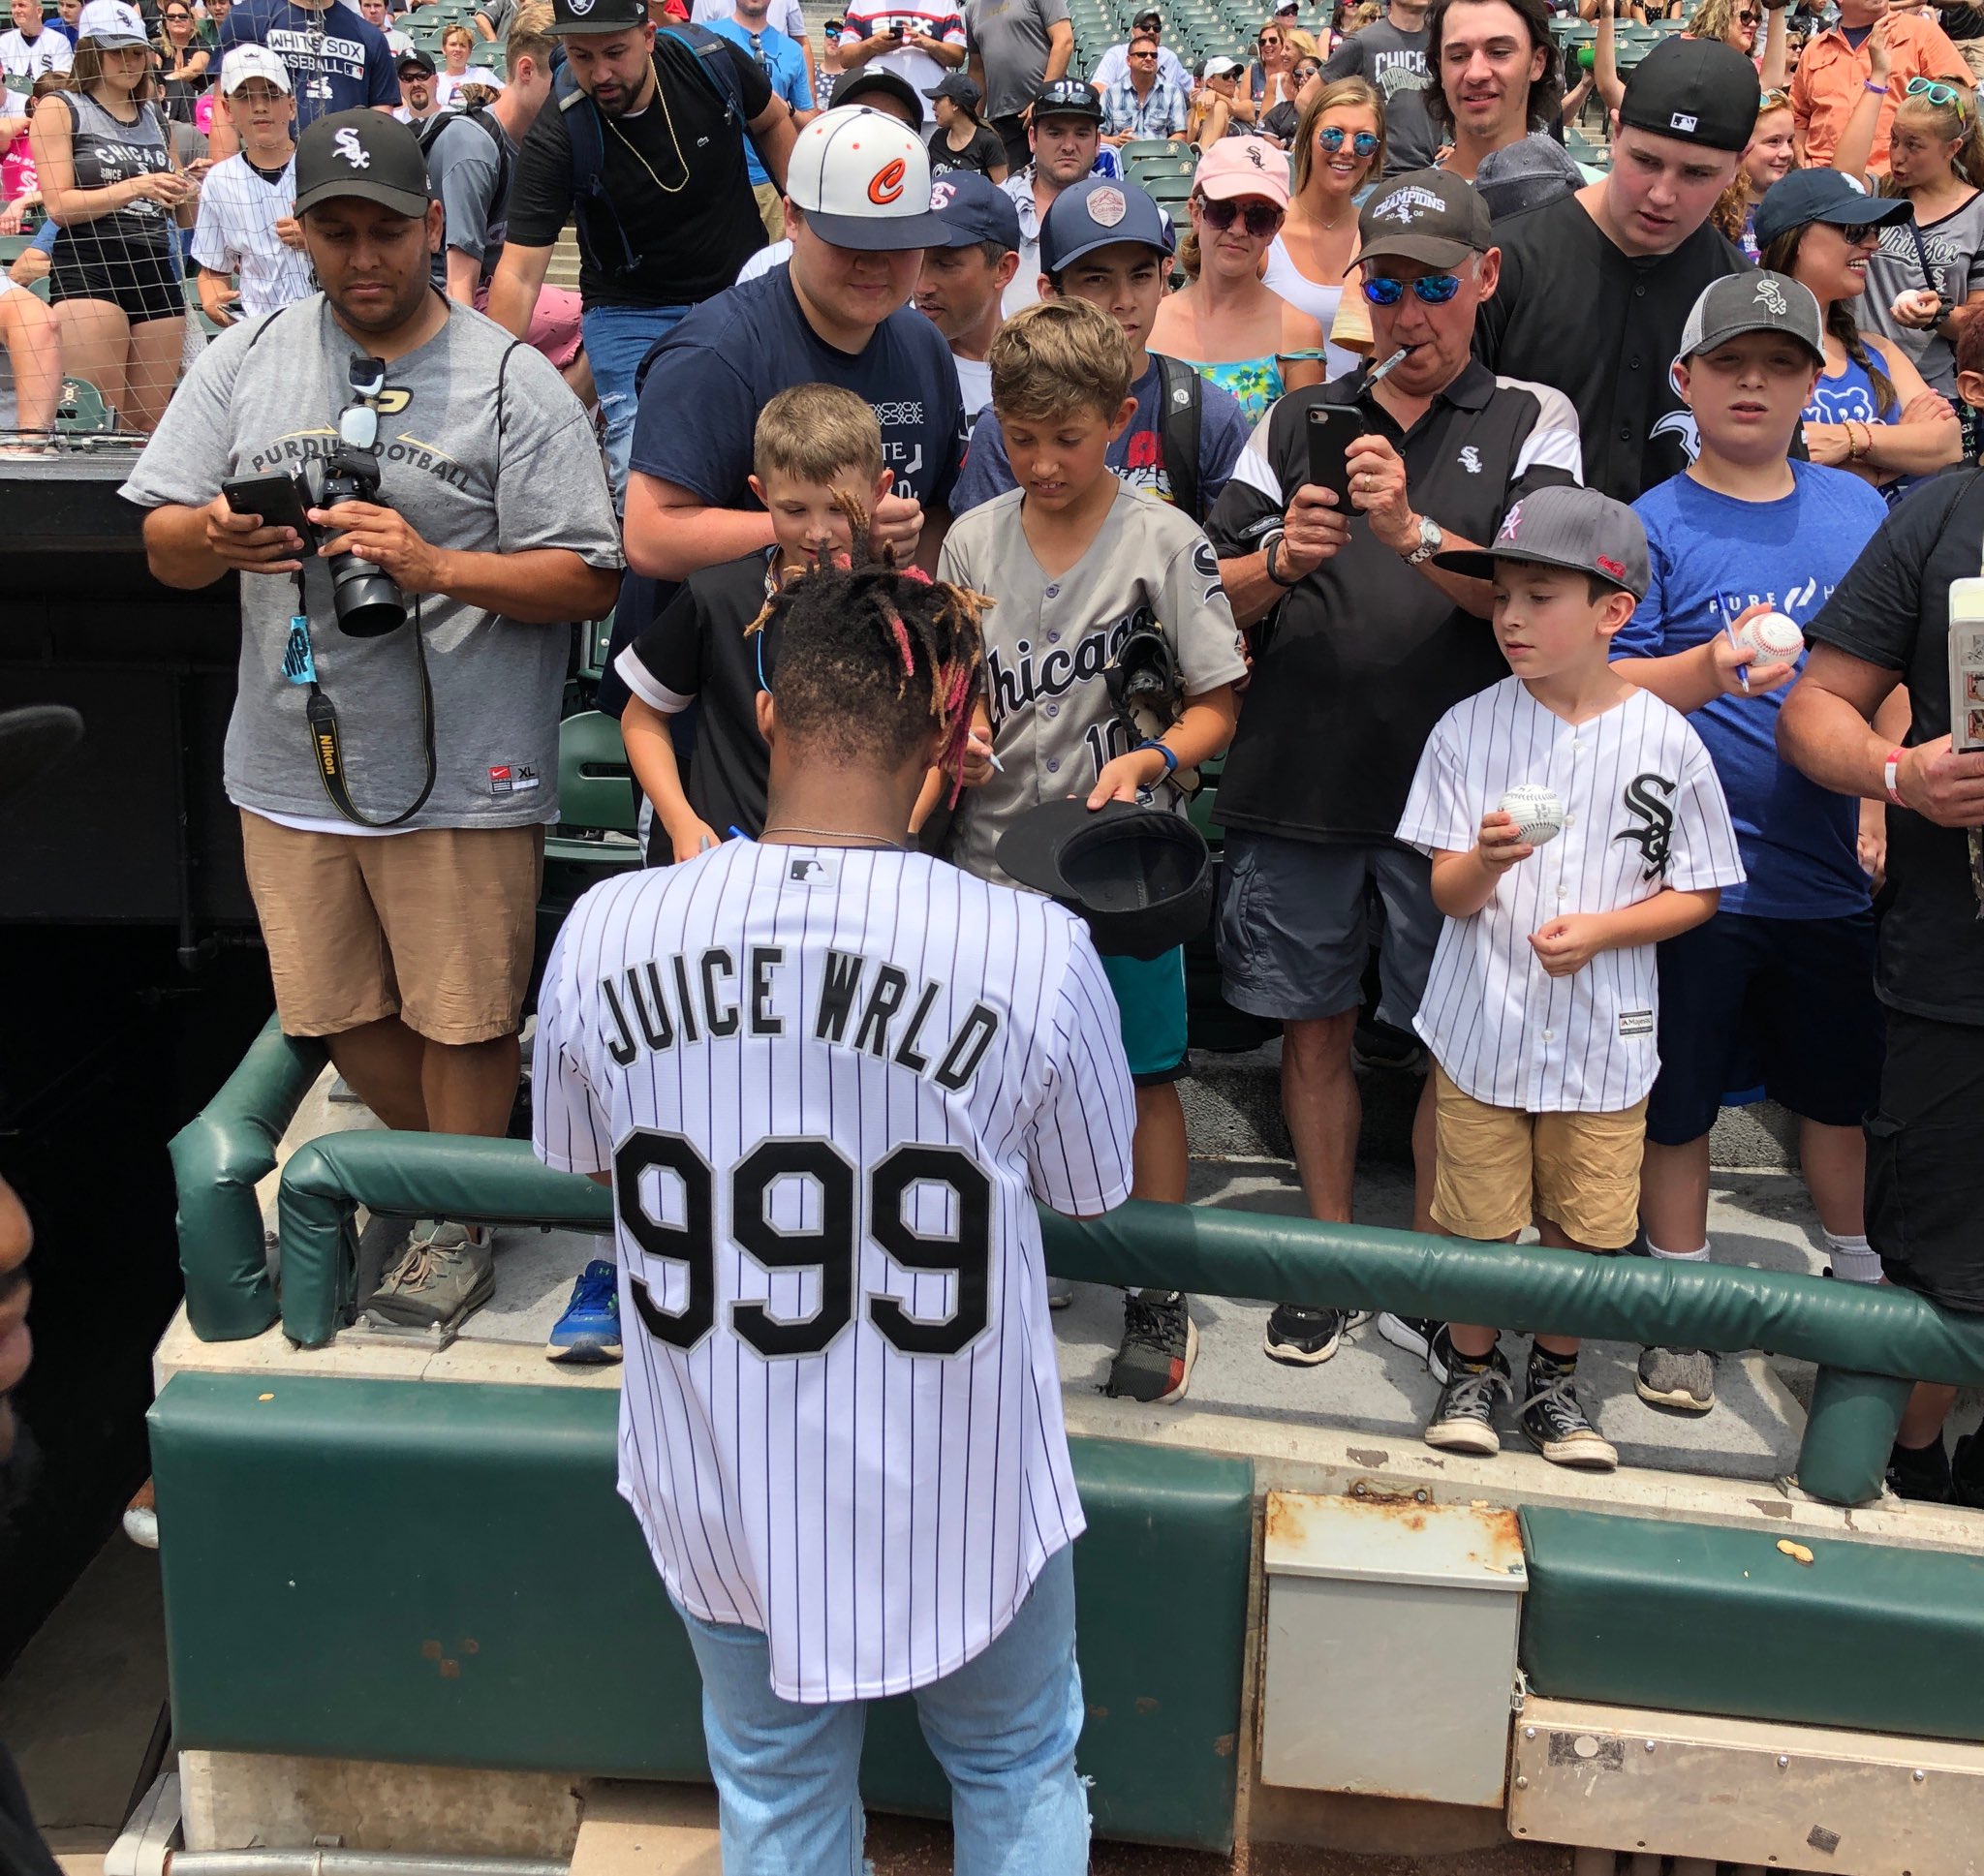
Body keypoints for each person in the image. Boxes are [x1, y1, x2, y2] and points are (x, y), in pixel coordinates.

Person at [531, 545, 1125, 1876]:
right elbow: (1093, 1189)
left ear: (762, 716)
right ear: (950, 741)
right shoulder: (1033, 944)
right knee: (1017, 1767)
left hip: (721, 1477)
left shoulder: (607, 929)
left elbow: (580, 1158)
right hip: (967, 1482)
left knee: (779, 1797)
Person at [123, 108, 623, 1333]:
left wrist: (434, 565)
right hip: (289, 761)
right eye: (336, 231)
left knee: (464, 1012)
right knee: (335, 1009)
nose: (363, 257)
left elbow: (591, 575)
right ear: (300, 231)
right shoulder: (245, 354)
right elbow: (160, 542)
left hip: (463, 764)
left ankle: (457, 1223)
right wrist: (217, 535)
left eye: (386, 231)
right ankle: (477, 1169)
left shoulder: (508, 378)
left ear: (430, 226)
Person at [1201, 168, 1583, 1370]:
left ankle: (1422, 1267)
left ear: (1483, 279)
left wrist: (1407, 532)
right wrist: (1282, 557)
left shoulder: (1533, 416)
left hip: (1462, 801)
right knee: (1310, 1034)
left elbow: (1541, 590)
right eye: (1385, 284)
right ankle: (1326, 1260)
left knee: (1446, 1044)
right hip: (1301, 775)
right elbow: (1206, 588)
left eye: (1432, 286)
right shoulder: (1297, 412)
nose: (1409, 312)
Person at [939, 295, 1247, 1403]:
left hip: (1124, 864)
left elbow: (1217, 704)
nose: (1042, 458)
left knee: (1143, 1073)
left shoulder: (1165, 536)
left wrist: (1157, 763)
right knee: (990, 1074)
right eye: (1019, 437)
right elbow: (951, 692)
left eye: (1065, 436)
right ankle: (1001, 1262)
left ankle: (1153, 1284)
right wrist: (957, 733)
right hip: (993, 862)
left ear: (1118, 418)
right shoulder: (972, 535)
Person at [1398, 484, 1742, 1466]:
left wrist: (1602, 929)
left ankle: (1552, 1374)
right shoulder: (1467, 726)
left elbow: (1700, 891)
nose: (1508, 615)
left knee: (1585, 1219)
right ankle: (1470, 1367)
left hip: (1603, 1029)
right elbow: (1446, 893)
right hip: (1484, 1019)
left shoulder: (1665, 737)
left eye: (1537, 594)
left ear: (1611, 610)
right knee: (1472, 1215)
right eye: (1502, 593)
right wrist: (1486, 861)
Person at [1605, 272, 1892, 1416]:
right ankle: (1678, 1307)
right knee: (1679, 1103)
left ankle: (1862, 1290)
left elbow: (1893, 674)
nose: (1753, 383)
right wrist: (1707, 666)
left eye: (1778, 363)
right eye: (1729, 363)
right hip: (1689, 878)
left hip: (1824, 870)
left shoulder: (1859, 511)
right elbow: (1604, 678)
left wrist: (1875, 793)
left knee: (1836, 1098)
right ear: (1686, 379)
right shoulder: (1650, 521)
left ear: (1813, 381)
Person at [1776, 312, 1984, 1508]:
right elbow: (1815, 711)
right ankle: (1904, 1466)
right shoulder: (1935, 515)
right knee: (1934, 1267)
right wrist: (1902, 775)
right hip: (1949, 976)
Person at [611, 105, 963, 713]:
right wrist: (831, 531)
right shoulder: (717, 351)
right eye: (850, 239)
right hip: (717, 715)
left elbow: (932, 511)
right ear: (793, 217)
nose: (875, 264)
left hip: (859, 705)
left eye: (899, 242)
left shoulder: (922, 343)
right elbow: (650, 535)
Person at [487, 0, 794, 497]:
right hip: (632, 311)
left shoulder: (709, 59)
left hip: (739, 293)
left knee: (770, 460)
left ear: (649, 36)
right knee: (644, 481)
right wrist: (495, 389)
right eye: (581, 56)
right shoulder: (560, 129)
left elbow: (772, 121)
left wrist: (800, 205)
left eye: (615, 51)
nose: (601, 72)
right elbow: (520, 273)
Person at [617, 384, 887, 882]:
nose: (819, 532)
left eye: (838, 509)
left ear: (880, 490)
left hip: (853, 874)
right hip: (721, 865)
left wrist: (904, 833)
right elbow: (642, 718)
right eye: (795, 510)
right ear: (761, 495)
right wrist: (681, 821)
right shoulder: (715, 595)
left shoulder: (899, 609)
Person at [1475, 37, 1756, 505]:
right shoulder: (1508, 261)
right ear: (1617, 132)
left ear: (1736, 166)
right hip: (1513, 559)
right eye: (1646, 162)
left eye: (1696, 174)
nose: (1663, 195)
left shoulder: (1741, 296)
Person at [953, 174, 1254, 519]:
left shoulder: (1210, 417)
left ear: (1162, 283)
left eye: (1140, 277)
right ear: (1051, 292)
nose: (1124, 301)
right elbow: (983, 559)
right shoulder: (1006, 426)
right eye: (1096, 279)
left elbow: (1229, 558)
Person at [32, 0, 194, 435]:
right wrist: (136, 186)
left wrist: (188, 189)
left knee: (147, 427)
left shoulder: (155, 116)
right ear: (90, 52)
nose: (130, 61)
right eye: (116, 51)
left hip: (156, 267)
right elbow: (59, 207)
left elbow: (183, 217)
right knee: (94, 422)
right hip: (90, 264)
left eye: (137, 51)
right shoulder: (59, 107)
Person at [1754, 167, 1964, 496]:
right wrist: (1899, 449)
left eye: (1872, 229)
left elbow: (1949, 445)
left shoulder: (1876, 349)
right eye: (1854, 230)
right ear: (1796, 239)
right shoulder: (1748, 354)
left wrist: (1850, 440)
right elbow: (1773, 467)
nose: (1872, 243)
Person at [423, 4, 586, 393]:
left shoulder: (541, 144)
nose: (576, 93)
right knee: (588, 322)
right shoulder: (474, 145)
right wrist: (469, 391)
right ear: (526, 70)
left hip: (489, 290)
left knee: (607, 318)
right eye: (565, 80)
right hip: (438, 301)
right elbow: (458, 283)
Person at [1832, 20, 1984, 431]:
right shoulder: (1881, 192)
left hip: (1932, 395)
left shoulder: (1978, 212)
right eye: (1895, 139)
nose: (1897, 156)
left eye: (1913, 146)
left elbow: (1976, 324)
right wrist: (1878, 79)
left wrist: (1938, 315)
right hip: (1860, 381)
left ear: (1953, 148)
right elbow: (1840, 177)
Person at [1147, 138, 1330, 422]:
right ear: (1196, 213)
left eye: (1258, 218)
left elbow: (1301, 456)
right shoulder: (1150, 321)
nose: (1238, 229)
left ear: (1275, 228)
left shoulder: (1298, 333)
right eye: (1222, 210)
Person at [1262, 76, 1380, 381]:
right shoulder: (1265, 231)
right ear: (1308, 137)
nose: (1347, 149)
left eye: (1365, 140)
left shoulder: (1381, 232)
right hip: (1282, 417)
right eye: (1332, 136)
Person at [191, 45, 313, 324]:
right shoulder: (220, 180)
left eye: (271, 94)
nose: (260, 106)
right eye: (245, 97)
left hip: (324, 323)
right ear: (226, 108)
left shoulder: (320, 165)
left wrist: (316, 239)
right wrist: (213, 302)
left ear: (292, 105)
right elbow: (212, 271)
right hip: (256, 330)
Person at [1791, 0, 1970, 169]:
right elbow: (1799, 116)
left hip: (1898, 179)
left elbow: (1962, 103)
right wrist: (1800, 158)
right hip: (1823, 177)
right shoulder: (1814, 50)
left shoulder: (1922, 33)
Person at [997, 76, 1120, 319]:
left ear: (1097, 142)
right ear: (1033, 138)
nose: (1068, 145)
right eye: (1055, 133)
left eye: (1082, 134)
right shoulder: (998, 205)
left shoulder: (1120, 211)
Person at [214, 0, 398, 144]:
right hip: (270, 169)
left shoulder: (370, 36)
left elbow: (380, 121)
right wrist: (224, 179)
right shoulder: (247, 18)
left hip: (344, 170)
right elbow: (223, 112)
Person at [916, 166, 1020, 418]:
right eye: (914, 259)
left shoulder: (1043, 369)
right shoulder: (880, 356)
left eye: (945, 265)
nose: (921, 287)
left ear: (1003, 269)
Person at [708, 0, 815, 238]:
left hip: (771, 183)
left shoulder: (791, 50)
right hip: (721, 181)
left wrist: (785, 108)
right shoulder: (708, 37)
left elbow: (810, 119)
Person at [1424, 0, 1560, 180]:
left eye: (1499, 52)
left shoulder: (1582, 199)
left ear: (1537, 62)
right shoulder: (1408, 203)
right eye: (1458, 57)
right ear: (1440, 69)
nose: (1475, 73)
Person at [1318, 0, 1438, 174]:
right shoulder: (1365, 41)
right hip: (1374, 179)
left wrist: (1454, 145)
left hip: (1429, 173)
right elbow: (1307, 98)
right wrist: (1345, 141)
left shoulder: (1441, 42)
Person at [966, 0, 1073, 170]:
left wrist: (1042, 98)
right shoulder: (972, 8)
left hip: (1048, 110)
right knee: (1012, 189)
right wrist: (970, 120)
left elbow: (1064, 41)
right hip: (1001, 119)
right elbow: (977, 70)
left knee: (1054, 182)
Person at [837, 0, 965, 128]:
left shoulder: (944, 2)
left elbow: (958, 57)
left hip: (931, 113)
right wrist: (872, 45)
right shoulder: (862, 3)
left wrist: (927, 43)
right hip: (875, 111)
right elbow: (845, 58)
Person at [1709, 81, 1795, 259]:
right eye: (1774, 141)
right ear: (1742, 146)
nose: (1787, 152)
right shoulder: (1713, 212)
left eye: (1790, 141)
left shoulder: (1797, 208)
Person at [1100, 28, 1187, 142]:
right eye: (1142, 54)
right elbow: (1096, 138)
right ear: (1128, 60)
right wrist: (1115, 140)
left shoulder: (1172, 92)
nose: (1149, 58)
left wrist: (1154, 150)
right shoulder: (1111, 93)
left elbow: (1180, 135)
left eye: (1154, 55)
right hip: (1122, 157)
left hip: (1159, 158)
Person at [1091, 6, 1191, 96]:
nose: (1151, 32)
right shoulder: (1116, 54)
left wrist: (1205, 92)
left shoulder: (1169, 58)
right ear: (1133, 32)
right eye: (1145, 27)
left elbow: (1192, 88)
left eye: (1156, 28)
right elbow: (1097, 87)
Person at [925, 69, 1005, 176]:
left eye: (938, 100)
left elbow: (1002, 189)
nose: (934, 107)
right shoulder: (938, 138)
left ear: (955, 105)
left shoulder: (988, 142)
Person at [0, 0, 73, 116]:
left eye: (22, 5)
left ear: (39, 11)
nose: (17, 10)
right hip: (11, 111)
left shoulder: (58, 41)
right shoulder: (4, 41)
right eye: (14, 6)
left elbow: (63, 79)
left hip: (47, 107)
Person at [153, 0, 211, 123]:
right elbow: (153, 72)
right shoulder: (158, 47)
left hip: (198, 105)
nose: (177, 19)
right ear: (165, 24)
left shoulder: (200, 44)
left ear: (192, 23)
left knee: (183, 88)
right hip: (168, 106)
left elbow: (195, 69)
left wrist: (165, 80)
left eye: (183, 16)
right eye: (171, 17)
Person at [1259, 46, 1323, 142]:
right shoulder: (1283, 109)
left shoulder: (1329, 108)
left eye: (1310, 72)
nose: (1303, 78)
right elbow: (1264, 134)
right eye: (1298, 74)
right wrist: (1283, 146)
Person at [432, 21, 501, 110]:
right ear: (444, 49)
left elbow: (505, 96)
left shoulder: (483, 75)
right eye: (453, 44)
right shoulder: (434, 81)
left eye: (463, 45)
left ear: (469, 52)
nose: (457, 49)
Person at [392, 45, 439, 120]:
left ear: (437, 80)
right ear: (398, 84)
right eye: (407, 78)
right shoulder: (393, 122)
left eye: (422, 76)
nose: (415, 84)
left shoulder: (454, 120)